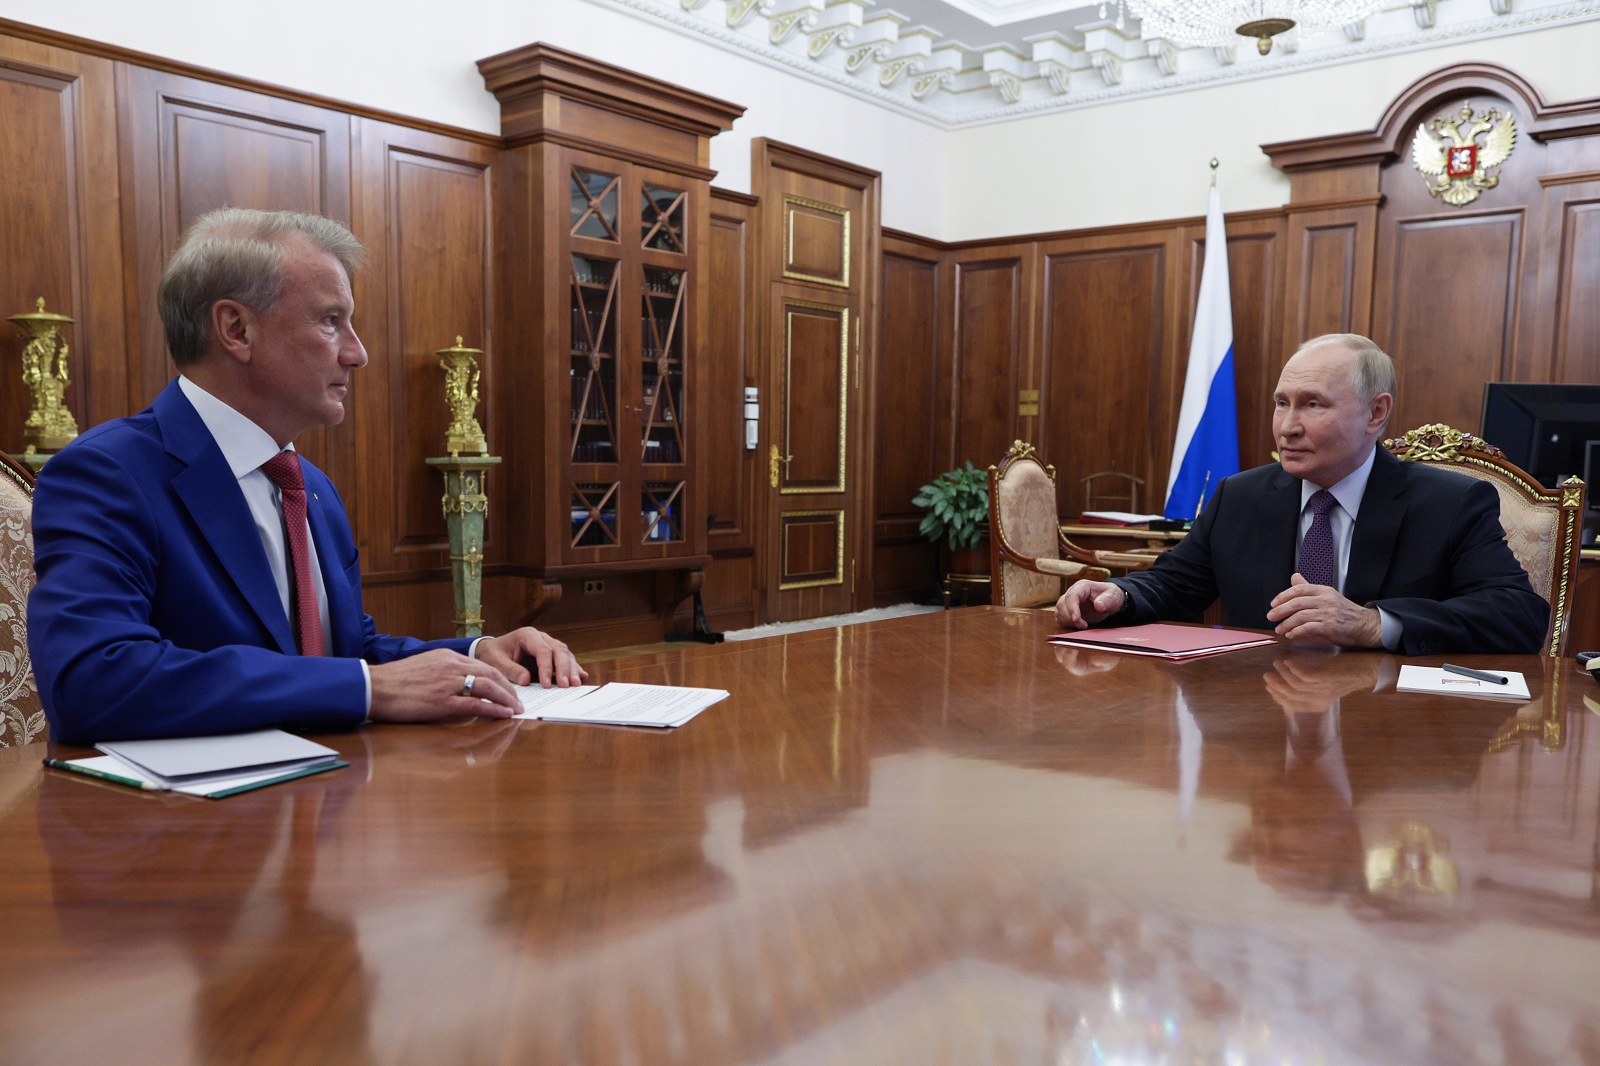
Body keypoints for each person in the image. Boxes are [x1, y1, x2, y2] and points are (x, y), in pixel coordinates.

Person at [29, 208, 586, 745]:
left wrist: (475, 656)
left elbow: (342, 649)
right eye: (330, 320)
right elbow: (92, 682)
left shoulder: (309, 485)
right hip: (180, 827)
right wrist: (367, 689)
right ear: (236, 329)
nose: (359, 353)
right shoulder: (108, 472)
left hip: (324, 803)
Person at [1055, 334, 1548, 655]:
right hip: (1260, 719)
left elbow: (1518, 616)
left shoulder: (1450, 503)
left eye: (1313, 405)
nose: (1287, 427)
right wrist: (1118, 595)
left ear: (1376, 414)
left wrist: (1375, 624)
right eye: (1281, 404)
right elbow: (1176, 587)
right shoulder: (1240, 496)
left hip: (1391, 735)